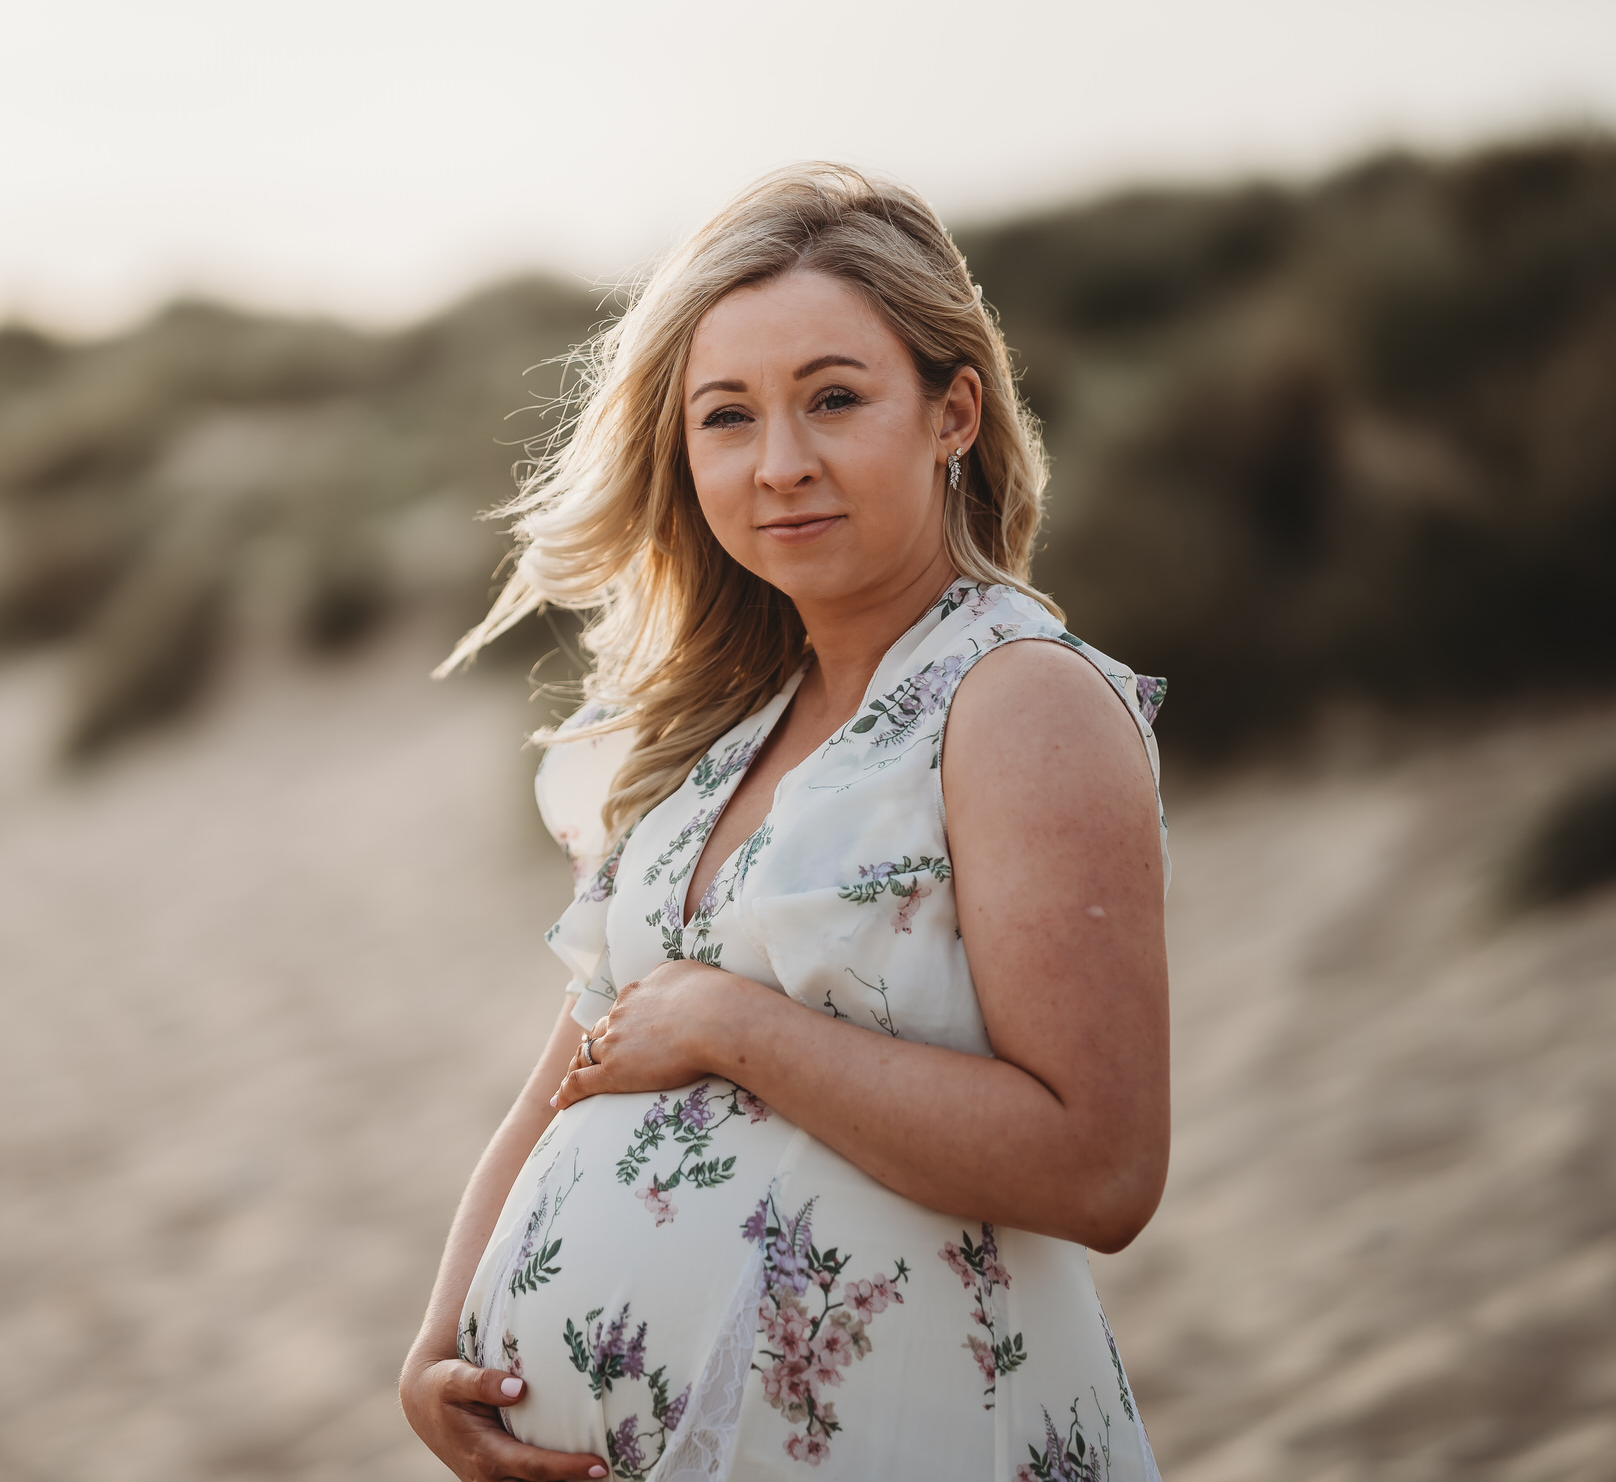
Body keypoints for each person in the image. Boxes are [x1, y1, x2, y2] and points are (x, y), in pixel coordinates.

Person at [398, 164, 1171, 1482]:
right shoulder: (719, 726)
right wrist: (439, 1342)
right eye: (727, 418)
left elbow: (1098, 1167)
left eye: (834, 398)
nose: (781, 464)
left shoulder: (1012, 701)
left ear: (953, 411)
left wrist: (735, 1025)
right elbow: (577, 1061)